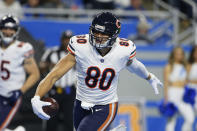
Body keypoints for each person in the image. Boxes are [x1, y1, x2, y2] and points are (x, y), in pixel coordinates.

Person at [31, 12, 163, 131]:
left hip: (105, 106)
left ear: (113, 35)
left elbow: (134, 65)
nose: (98, 36)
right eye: (96, 32)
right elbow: (54, 75)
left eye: (103, 33)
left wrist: (149, 77)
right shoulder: (81, 46)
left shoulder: (123, 50)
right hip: (80, 104)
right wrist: (37, 97)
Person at [0, 14, 40, 130]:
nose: (8, 32)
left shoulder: (23, 48)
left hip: (10, 96)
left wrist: (20, 91)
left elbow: (35, 74)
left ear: (16, 31)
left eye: (11, 29)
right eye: (5, 28)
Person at [40, 30, 76, 131]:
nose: (67, 42)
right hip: (54, 91)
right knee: (51, 120)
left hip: (70, 91)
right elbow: (41, 66)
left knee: (69, 120)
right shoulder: (52, 52)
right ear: (61, 40)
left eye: (69, 39)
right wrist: (49, 66)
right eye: (65, 39)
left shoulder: (76, 53)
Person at [163, 46, 195, 131]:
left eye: (181, 54)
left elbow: (187, 80)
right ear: (173, 55)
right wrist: (166, 98)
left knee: (190, 117)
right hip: (172, 93)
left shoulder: (186, 67)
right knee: (171, 120)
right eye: (177, 54)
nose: (179, 56)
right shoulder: (168, 66)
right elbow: (166, 83)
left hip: (183, 94)